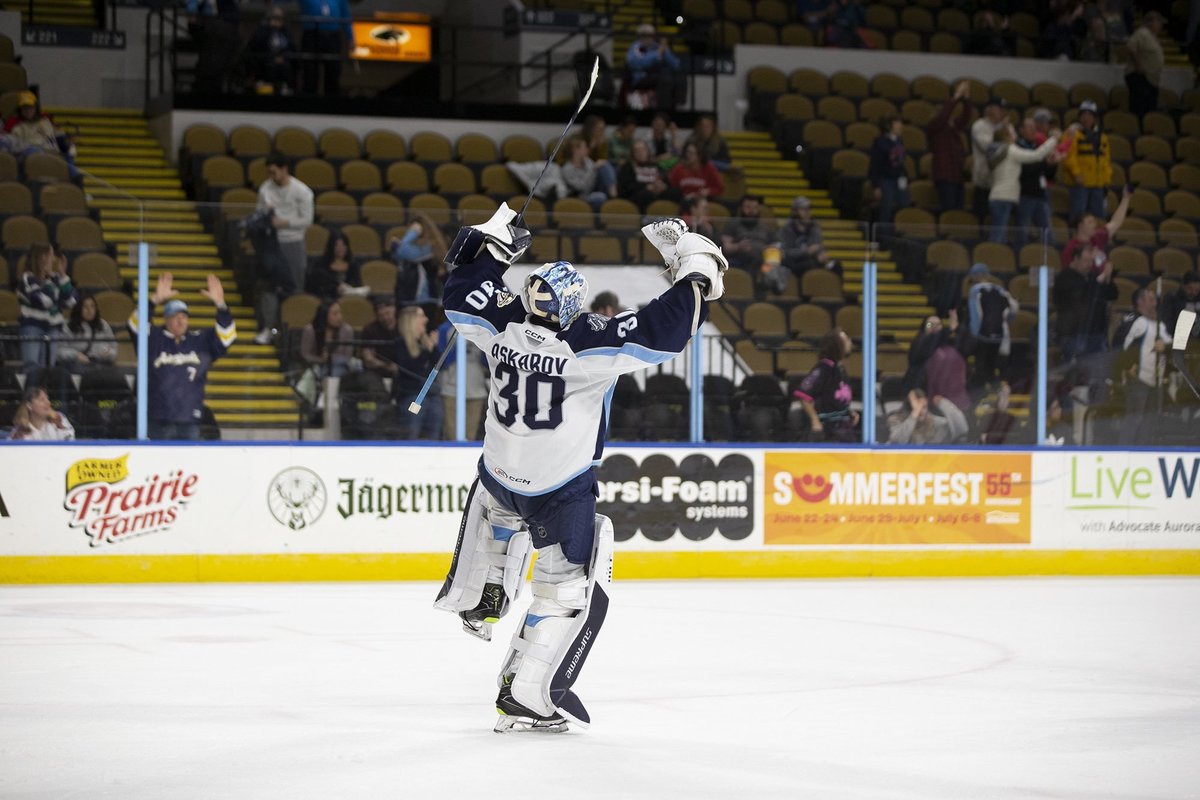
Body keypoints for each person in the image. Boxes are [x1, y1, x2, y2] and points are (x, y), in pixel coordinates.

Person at [433, 205, 728, 732]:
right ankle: (526, 694)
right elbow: (670, 328)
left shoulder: (497, 325)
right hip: (558, 488)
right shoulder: (589, 345)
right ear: (572, 307)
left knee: (502, 509)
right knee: (566, 587)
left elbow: (459, 294)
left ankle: (483, 596)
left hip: (500, 475)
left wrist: (496, 248)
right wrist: (691, 259)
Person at [130, 272, 235, 440]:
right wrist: (153, 301)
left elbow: (227, 336)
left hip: (189, 420)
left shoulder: (199, 340)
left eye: (184, 317)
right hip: (159, 420)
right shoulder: (154, 339)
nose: (180, 321)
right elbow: (135, 325)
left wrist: (221, 305)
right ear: (166, 319)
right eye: (175, 317)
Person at [255, 153, 314, 344]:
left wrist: (284, 222)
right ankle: (269, 328)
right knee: (269, 288)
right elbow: (259, 213)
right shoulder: (265, 189)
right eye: (269, 173)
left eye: (274, 172)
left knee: (294, 286)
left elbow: (307, 220)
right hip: (271, 243)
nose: (271, 176)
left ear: (284, 169)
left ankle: (294, 331)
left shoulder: (302, 191)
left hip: (293, 242)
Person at [1114, 287, 1170, 445]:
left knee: (1151, 422)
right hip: (1139, 379)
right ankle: (1125, 451)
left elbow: (1170, 345)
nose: (1155, 303)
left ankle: (1145, 451)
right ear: (1140, 302)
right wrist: (1129, 367)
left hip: (1156, 380)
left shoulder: (1160, 324)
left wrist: (1165, 348)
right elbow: (1123, 347)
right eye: (1151, 299)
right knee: (1135, 419)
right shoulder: (1138, 322)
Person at [985, 122, 1059, 243]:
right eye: (1012, 132)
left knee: (999, 235)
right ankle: (993, 259)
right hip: (1004, 197)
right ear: (1006, 135)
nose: (1015, 134)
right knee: (998, 237)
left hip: (998, 196)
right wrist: (1053, 139)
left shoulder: (999, 150)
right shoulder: (1009, 149)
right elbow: (1037, 155)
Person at [17, 243, 76, 374]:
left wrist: (63, 275)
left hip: (52, 328)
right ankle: (32, 394)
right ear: (42, 258)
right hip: (33, 327)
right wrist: (56, 293)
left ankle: (45, 395)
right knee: (32, 367)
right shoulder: (27, 278)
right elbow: (42, 301)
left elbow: (71, 301)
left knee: (49, 368)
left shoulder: (55, 278)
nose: (54, 260)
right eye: (51, 256)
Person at [1054, 244, 1117, 362]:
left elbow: (1112, 294)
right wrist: (1101, 278)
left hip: (1097, 333)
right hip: (1074, 334)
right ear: (1075, 259)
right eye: (1086, 261)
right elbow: (1081, 294)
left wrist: (1108, 279)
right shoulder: (1064, 277)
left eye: (1091, 261)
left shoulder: (1092, 277)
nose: (1089, 265)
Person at [793, 328, 858, 442]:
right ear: (836, 345)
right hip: (828, 430)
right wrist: (815, 420)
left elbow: (834, 398)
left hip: (843, 428)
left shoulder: (840, 368)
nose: (850, 342)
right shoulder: (824, 368)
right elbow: (803, 395)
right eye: (846, 340)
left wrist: (849, 412)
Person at [961, 263, 1020, 388]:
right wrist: (1008, 320)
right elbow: (1014, 307)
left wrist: (974, 335)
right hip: (999, 334)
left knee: (981, 367)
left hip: (982, 334)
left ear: (975, 276)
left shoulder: (975, 291)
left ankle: (979, 394)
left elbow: (975, 315)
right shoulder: (1000, 290)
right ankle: (994, 391)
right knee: (992, 365)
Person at [392, 305, 442, 439]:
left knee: (433, 435)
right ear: (411, 320)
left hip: (432, 396)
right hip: (413, 396)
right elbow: (411, 367)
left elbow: (437, 366)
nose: (426, 319)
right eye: (421, 316)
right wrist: (427, 350)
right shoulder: (400, 344)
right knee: (411, 434)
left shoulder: (425, 343)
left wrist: (433, 347)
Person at [1061, 100, 1111, 223]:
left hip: (1097, 184)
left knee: (1099, 217)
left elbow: (1106, 160)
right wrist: (1077, 173)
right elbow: (1068, 156)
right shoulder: (1073, 133)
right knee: (1078, 216)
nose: (1086, 118)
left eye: (1090, 115)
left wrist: (1106, 179)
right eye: (1084, 114)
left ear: (1094, 118)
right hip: (1080, 184)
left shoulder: (1102, 137)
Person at [926, 81, 972, 213]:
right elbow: (943, 116)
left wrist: (966, 98)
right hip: (944, 175)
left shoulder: (952, 126)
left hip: (957, 174)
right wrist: (956, 96)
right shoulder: (934, 126)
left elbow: (966, 117)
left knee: (959, 210)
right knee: (949, 210)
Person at [1014, 116, 1062, 243]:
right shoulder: (1017, 147)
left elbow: (1047, 175)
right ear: (1021, 130)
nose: (1033, 130)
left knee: (1048, 232)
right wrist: (1044, 162)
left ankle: (1051, 256)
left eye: (1034, 128)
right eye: (1029, 127)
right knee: (1022, 231)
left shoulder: (1037, 148)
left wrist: (1052, 164)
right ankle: (1021, 257)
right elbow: (1026, 170)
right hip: (1024, 195)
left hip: (1040, 195)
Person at [1060, 187, 1132, 271]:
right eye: (1090, 222)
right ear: (1080, 225)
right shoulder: (1071, 247)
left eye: (1094, 222)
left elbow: (1115, 223)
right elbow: (1068, 271)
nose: (1094, 225)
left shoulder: (1097, 236)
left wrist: (1126, 198)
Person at [389, 211, 449, 305]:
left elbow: (405, 252)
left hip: (424, 298)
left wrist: (411, 233)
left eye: (414, 229)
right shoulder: (414, 246)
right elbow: (399, 256)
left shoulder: (429, 247)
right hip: (408, 295)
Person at [2, 91, 74, 167]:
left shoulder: (46, 121)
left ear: (36, 108)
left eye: (30, 107)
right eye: (24, 108)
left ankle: (75, 177)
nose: (28, 111)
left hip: (52, 155)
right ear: (20, 110)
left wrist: (67, 142)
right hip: (31, 158)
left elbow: (61, 140)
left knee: (68, 157)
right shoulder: (17, 127)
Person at [624, 23, 685, 110]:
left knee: (679, 76)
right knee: (664, 79)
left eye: (649, 35)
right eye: (644, 35)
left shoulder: (657, 47)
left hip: (657, 76)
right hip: (641, 78)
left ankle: (678, 105)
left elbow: (675, 64)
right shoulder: (635, 47)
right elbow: (638, 63)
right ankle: (664, 109)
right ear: (640, 36)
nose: (647, 38)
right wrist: (658, 54)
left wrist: (665, 50)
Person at [297, 0, 350, 96]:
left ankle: (331, 103)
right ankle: (308, 102)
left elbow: (345, 15)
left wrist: (351, 38)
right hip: (311, 35)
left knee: (333, 70)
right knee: (310, 71)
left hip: (333, 36)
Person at [779, 196, 839, 279]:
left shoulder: (814, 226)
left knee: (836, 265)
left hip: (811, 261)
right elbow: (786, 253)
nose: (807, 212)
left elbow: (818, 245)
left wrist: (821, 253)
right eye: (803, 209)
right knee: (809, 265)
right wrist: (807, 252)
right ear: (795, 212)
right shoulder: (787, 229)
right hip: (794, 264)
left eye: (809, 209)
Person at [58, 294, 118, 374]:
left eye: (92, 306)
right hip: (77, 365)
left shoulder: (103, 324)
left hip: (101, 363)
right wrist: (76, 355)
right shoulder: (68, 326)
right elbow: (60, 351)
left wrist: (109, 353)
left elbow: (114, 349)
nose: (89, 310)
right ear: (78, 308)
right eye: (85, 307)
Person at [616, 138, 680, 211]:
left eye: (643, 150)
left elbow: (666, 181)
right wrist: (646, 187)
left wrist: (663, 186)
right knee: (646, 195)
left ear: (647, 151)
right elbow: (626, 188)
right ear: (632, 153)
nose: (640, 153)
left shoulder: (655, 165)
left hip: (657, 193)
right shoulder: (627, 167)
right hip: (637, 195)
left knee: (675, 193)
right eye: (637, 151)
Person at [887, 389, 968, 444]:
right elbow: (897, 442)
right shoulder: (895, 420)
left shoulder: (936, 422)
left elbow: (962, 430)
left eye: (923, 407)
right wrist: (914, 414)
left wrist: (945, 404)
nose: (921, 412)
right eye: (916, 407)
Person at [971, 98, 1008, 220]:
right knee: (982, 215)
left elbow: (1013, 146)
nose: (1002, 112)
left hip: (1000, 181)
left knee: (997, 217)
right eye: (999, 109)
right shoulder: (980, 126)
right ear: (989, 110)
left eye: (1003, 110)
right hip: (984, 179)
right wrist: (1004, 140)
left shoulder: (1005, 126)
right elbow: (987, 147)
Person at [247, 4, 296, 95]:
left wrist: (283, 57)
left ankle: (285, 88)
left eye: (280, 18)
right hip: (266, 59)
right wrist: (270, 28)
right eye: (275, 17)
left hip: (282, 60)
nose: (277, 20)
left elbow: (292, 47)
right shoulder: (262, 30)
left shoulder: (285, 31)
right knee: (270, 66)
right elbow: (256, 45)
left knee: (286, 67)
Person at [868, 116, 909, 226]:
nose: (900, 126)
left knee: (904, 206)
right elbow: (874, 165)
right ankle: (884, 239)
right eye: (897, 123)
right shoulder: (880, 142)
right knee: (886, 209)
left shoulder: (899, 141)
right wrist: (875, 186)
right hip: (885, 179)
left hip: (899, 179)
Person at [300, 299, 354, 381]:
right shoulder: (310, 330)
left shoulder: (347, 330)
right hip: (316, 366)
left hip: (339, 366)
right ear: (324, 315)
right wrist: (320, 360)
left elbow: (347, 356)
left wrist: (331, 358)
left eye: (340, 313)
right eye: (335, 314)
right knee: (312, 375)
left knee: (335, 373)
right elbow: (305, 355)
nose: (339, 317)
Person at [1124, 11, 1165, 117]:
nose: (1161, 25)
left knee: (1150, 108)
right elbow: (1131, 47)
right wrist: (1138, 65)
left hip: (1151, 79)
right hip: (1141, 77)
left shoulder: (1154, 37)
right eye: (1159, 22)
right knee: (1140, 106)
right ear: (1151, 23)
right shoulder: (1142, 33)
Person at [560, 134, 615, 212]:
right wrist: (593, 169)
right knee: (600, 197)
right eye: (584, 147)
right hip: (580, 196)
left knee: (604, 166)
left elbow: (595, 177)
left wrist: (597, 167)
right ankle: (612, 198)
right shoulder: (567, 169)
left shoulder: (588, 161)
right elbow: (581, 187)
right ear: (575, 150)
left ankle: (614, 195)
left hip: (594, 188)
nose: (587, 149)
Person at [306, 231, 366, 301]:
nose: (340, 248)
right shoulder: (321, 265)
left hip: (349, 300)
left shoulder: (353, 265)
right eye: (337, 245)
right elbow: (316, 286)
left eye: (343, 245)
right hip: (326, 300)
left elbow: (357, 284)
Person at [720, 194, 773, 271]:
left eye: (755, 208)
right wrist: (738, 246)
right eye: (748, 207)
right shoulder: (732, 224)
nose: (751, 211)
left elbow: (775, 245)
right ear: (741, 208)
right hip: (740, 261)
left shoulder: (766, 226)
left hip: (763, 262)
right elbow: (726, 247)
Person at [10, 385, 75, 441]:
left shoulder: (59, 418)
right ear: (29, 405)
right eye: (42, 400)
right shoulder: (19, 431)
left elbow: (70, 441)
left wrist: (60, 426)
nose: (48, 403)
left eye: (47, 399)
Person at [360, 296, 400, 378]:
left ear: (394, 310)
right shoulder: (370, 330)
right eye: (381, 315)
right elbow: (368, 359)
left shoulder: (404, 328)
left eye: (388, 313)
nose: (385, 318)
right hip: (378, 371)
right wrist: (387, 366)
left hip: (402, 370)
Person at [1162, 271, 1200, 341]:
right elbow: (1167, 323)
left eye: (1197, 290)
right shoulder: (1172, 298)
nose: (1193, 293)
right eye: (1190, 289)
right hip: (1178, 339)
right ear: (1183, 285)